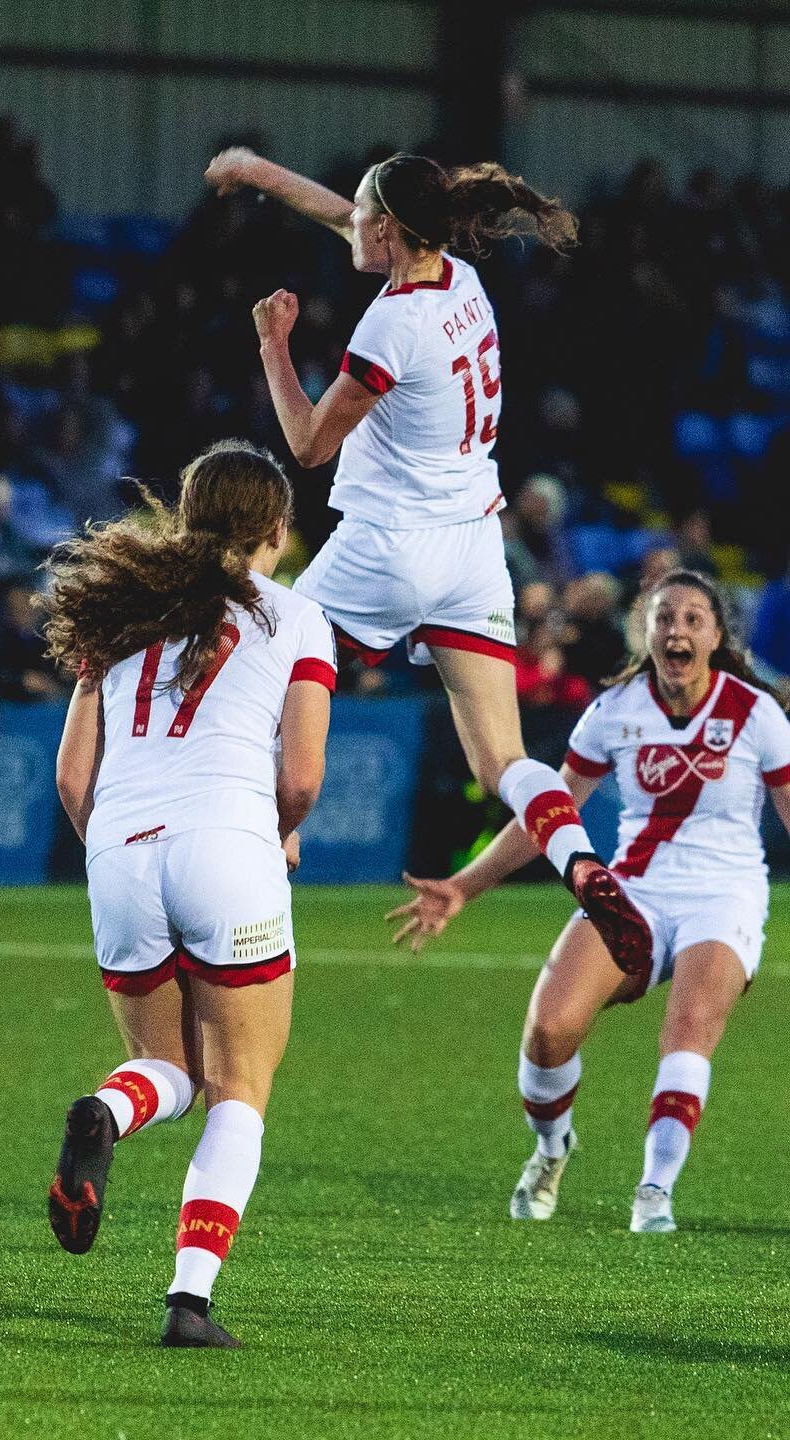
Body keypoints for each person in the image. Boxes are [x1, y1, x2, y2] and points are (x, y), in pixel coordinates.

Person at [203, 146, 653, 982]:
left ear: (393, 231)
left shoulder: (392, 322)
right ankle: (586, 868)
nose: (352, 219)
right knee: (505, 762)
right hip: (473, 547)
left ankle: (264, 846)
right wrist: (261, 174)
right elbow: (346, 214)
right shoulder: (457, 281)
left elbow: (306, 445)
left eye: (366, 212)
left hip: (390, 546)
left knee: (261, 674)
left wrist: (274, 344)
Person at [388, 571, 790, 1233]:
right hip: (630, 891)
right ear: (645, 631)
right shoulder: (615, 712)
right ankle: (552, 1149)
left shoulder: (756, 714)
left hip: (726, 895)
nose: (677, 631)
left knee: (688, 1030)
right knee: (549, 1032)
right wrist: (465, 884)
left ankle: (655, 1191)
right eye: (664, 618)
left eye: (693, 619)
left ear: (716, 636)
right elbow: (550, 812)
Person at [43, 441, 335, 1348]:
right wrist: (278, 833)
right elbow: (302, 776)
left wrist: (120, 854)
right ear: (277, 531)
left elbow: (71, 776)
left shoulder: (124, 611)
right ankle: (190, 1300)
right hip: (230, 848)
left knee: (167, 1069)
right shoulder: (294, 617)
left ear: (185, 517)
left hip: (121, 854)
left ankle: (107, 1112)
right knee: (239, 1088)